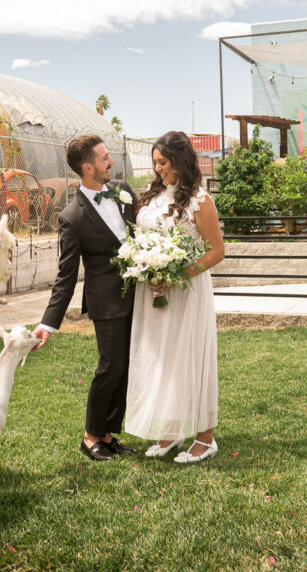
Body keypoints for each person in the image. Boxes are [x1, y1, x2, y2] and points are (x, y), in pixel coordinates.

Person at [33, 134, 138, 462]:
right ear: (87, 167)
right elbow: (66, 276)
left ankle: (108, 435)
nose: (111, 163)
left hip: (138, 293)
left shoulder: (124, 192)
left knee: (126, 368)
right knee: (110, 367)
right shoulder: (71, 217)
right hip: (107, 302)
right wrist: (48, 324)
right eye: (105, 158)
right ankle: (91, 435)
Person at [124, 130, 225, 464]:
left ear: (180, 161)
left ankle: (205, 437)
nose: (158, 169)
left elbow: (217, 250)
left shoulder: (199, 199)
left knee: (190, 356)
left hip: (186, 291)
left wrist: (177, 276)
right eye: (155, 163)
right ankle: (171, 430)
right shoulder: (153, 197)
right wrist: (146, 264)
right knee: (162, 359)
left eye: (163, 162)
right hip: (153, 293)